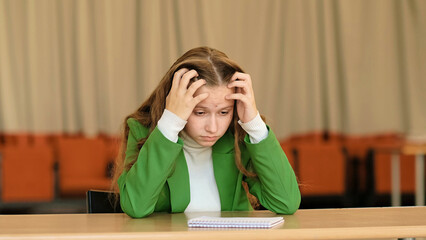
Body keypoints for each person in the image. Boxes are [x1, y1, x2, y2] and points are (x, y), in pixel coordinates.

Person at [112, 46, 300, 218]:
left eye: (224, 112)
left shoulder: (238, 135)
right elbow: (136, 206)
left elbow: (286, 203)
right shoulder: (142, 130)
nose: (213, 127)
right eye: (200, 112)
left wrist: (254, 124)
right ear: (177, 103)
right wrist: (170, 123)